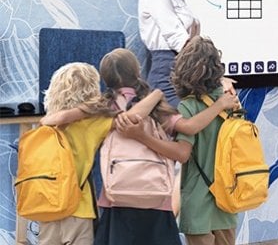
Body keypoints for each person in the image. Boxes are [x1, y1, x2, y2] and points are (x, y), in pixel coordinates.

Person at [42, 49, 239, 245]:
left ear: (105, 79)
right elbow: (183, 147)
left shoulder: (102, 108)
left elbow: (61, 117)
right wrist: (217, 104)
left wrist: (46, 121)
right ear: (137, 72)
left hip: (116, 200)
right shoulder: (158, 107)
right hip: (157, 201)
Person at [116, 36, 239, 245]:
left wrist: (142, 136)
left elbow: (182, 153)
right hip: (226, 197)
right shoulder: (230, 100)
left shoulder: (189, 106)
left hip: (198, 201)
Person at [37, 62, 164, 245]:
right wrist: (156, 95)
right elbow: (131, 118)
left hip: (46, 208)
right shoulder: (91, 123)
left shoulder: (45, 125)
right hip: (78, 209)